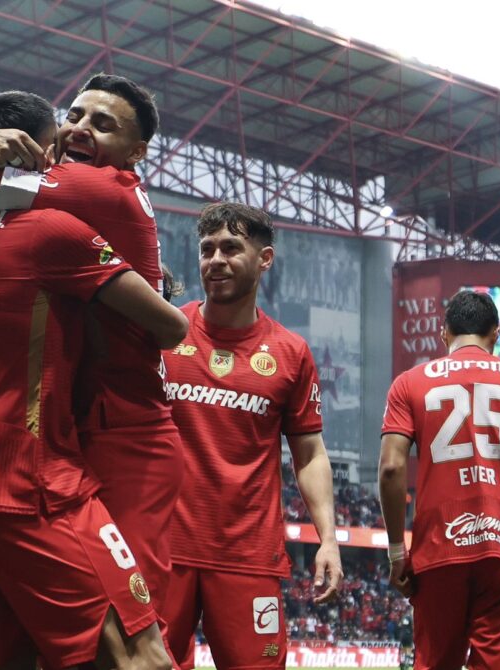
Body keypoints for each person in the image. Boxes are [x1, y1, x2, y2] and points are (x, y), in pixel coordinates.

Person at [0, 74, 186, 642]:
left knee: (135, 626)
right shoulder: (64, 197)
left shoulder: (98, 187)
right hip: (74, 426)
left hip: (126, 432)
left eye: (103, 125)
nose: (80, 129)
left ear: (136, 153)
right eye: (75, 115)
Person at [160, 202, 343, 670]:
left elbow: (309, 454)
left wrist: (328, 538)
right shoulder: (163, 334)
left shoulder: (291, 353)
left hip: (248, 556)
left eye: (230, 248)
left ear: (265, 259)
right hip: (162, 550)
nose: (215, 260)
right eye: (207, 249)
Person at [379, 289, 500, 670]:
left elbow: (391, 468)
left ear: (443, 332)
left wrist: (398, 552)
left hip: (438, 548)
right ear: (496, 333)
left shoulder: (409, 383)